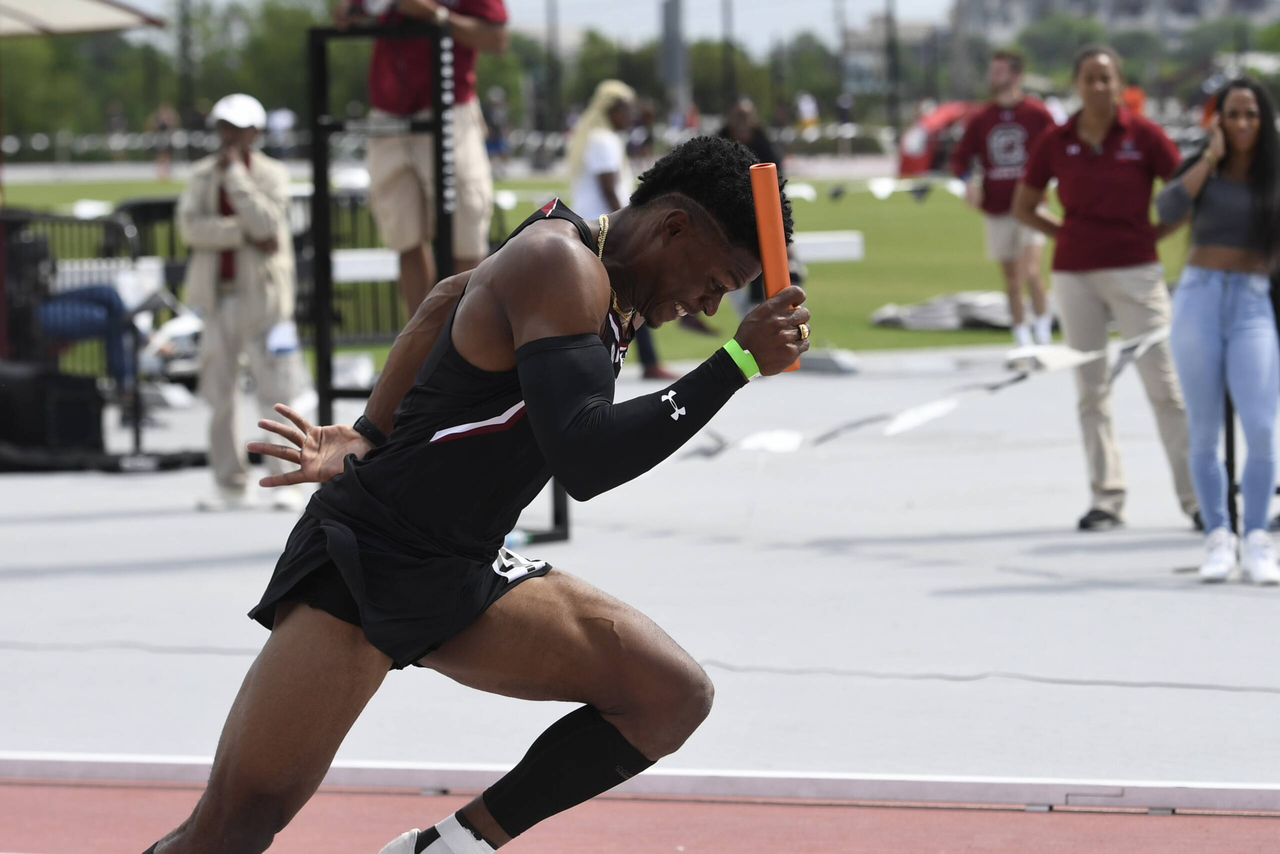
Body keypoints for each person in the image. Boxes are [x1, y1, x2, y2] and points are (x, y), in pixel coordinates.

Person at [139, 136, 810, 854]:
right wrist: (735, 363)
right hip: (371, 559)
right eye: (715, 280)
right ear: (674, 226)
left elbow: (443, 298)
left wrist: (369, 429)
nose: (710, 303)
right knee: (234, 826)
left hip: (464, 568)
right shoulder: (560, 265)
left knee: (669, 695)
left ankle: (450, 848)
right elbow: (584, 458)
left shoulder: (594, 263)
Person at [1013, 45, 1198, 532]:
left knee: (1165, 387)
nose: (1098, 87)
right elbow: (1025, 204)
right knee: (1090, 391)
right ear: (1077, 84)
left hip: (1136, 271)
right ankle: (1106, 497)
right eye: (1090, 78)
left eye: (1107, 78)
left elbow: (1181, 195)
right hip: (1075, 274)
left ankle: (1197, 498)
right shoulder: (1058, 139)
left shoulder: (1144, 135)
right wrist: (1064, 234)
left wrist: (1154, 234)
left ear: (1120, 84)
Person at [1157, 78, 1280, 583]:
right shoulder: (1203, 169)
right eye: (1234, 114)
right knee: (1204, 431)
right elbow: (1165, 211)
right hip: (1199, 296)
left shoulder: (1274, 172)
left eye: (1252, 115)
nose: (1244, 124)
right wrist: (1209, 157)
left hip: (1252, 302)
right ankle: (1217, 536)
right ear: (1219, 119)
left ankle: (1256, 538)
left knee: (1262, 427)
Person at [338, 0, 509, 314]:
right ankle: (424, 346)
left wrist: (436, 15)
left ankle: (467, 346)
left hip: (449, 107)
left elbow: (496, 39)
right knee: (406, 238)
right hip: (387, 113)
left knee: (465, 238)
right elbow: (342, 17)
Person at [177, 94, 303, 512]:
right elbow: (191, 229)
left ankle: (284, 481)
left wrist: (235, 180)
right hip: (218, 297)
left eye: (237, 128)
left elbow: (269, 222)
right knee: (219, 393)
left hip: (264, 298)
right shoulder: (200, 175)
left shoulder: (273, 173)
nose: (228, 136)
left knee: (276, 391)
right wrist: (242, 233)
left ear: (255, 132)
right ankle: (229, 483)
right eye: (223, 127)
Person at [567, 80, 675, 380]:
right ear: (611, 109)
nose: (632, 115)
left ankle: (633, 361)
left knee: (620, 297)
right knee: (631, 294)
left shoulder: (597, 136)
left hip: (592, 225)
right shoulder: (603, 139)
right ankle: (643, 362)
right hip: (605, 229)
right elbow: (609, 188)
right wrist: (633, 225)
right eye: (627, 108)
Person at [949, 49, 1056, 348]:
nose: (994, 77)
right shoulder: (982, 117)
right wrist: (968, 183)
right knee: (1011, 279)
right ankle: (1021, 335)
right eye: (992, 71)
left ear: (1016, 74)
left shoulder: (1036, 113)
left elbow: (1058, 148)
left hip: (1033, 206)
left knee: (1032, 271)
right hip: (997, 207)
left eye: (1000, 71)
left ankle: (1043, 330)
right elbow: (960, 159)